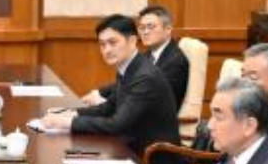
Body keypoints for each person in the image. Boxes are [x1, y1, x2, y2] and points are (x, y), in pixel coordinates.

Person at [36, 14, 178, 156]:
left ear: (132, 41)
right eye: (102, 44)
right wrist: (69, 112)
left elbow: (116, 125)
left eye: (112, 42)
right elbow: (108, 108)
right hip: (130, 149)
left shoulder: (145, 77)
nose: (107, 50)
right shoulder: (129, 67)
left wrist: (67, 122)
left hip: (152, 159)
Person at [81, 5, 188, 125]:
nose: (145, 32)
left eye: (151, 27)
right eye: (142, 28)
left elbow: (158, 102)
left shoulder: (175, 61)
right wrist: (100, 93)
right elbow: (128, 83)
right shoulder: (147, 55)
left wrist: (102, 100)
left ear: (168, 29)